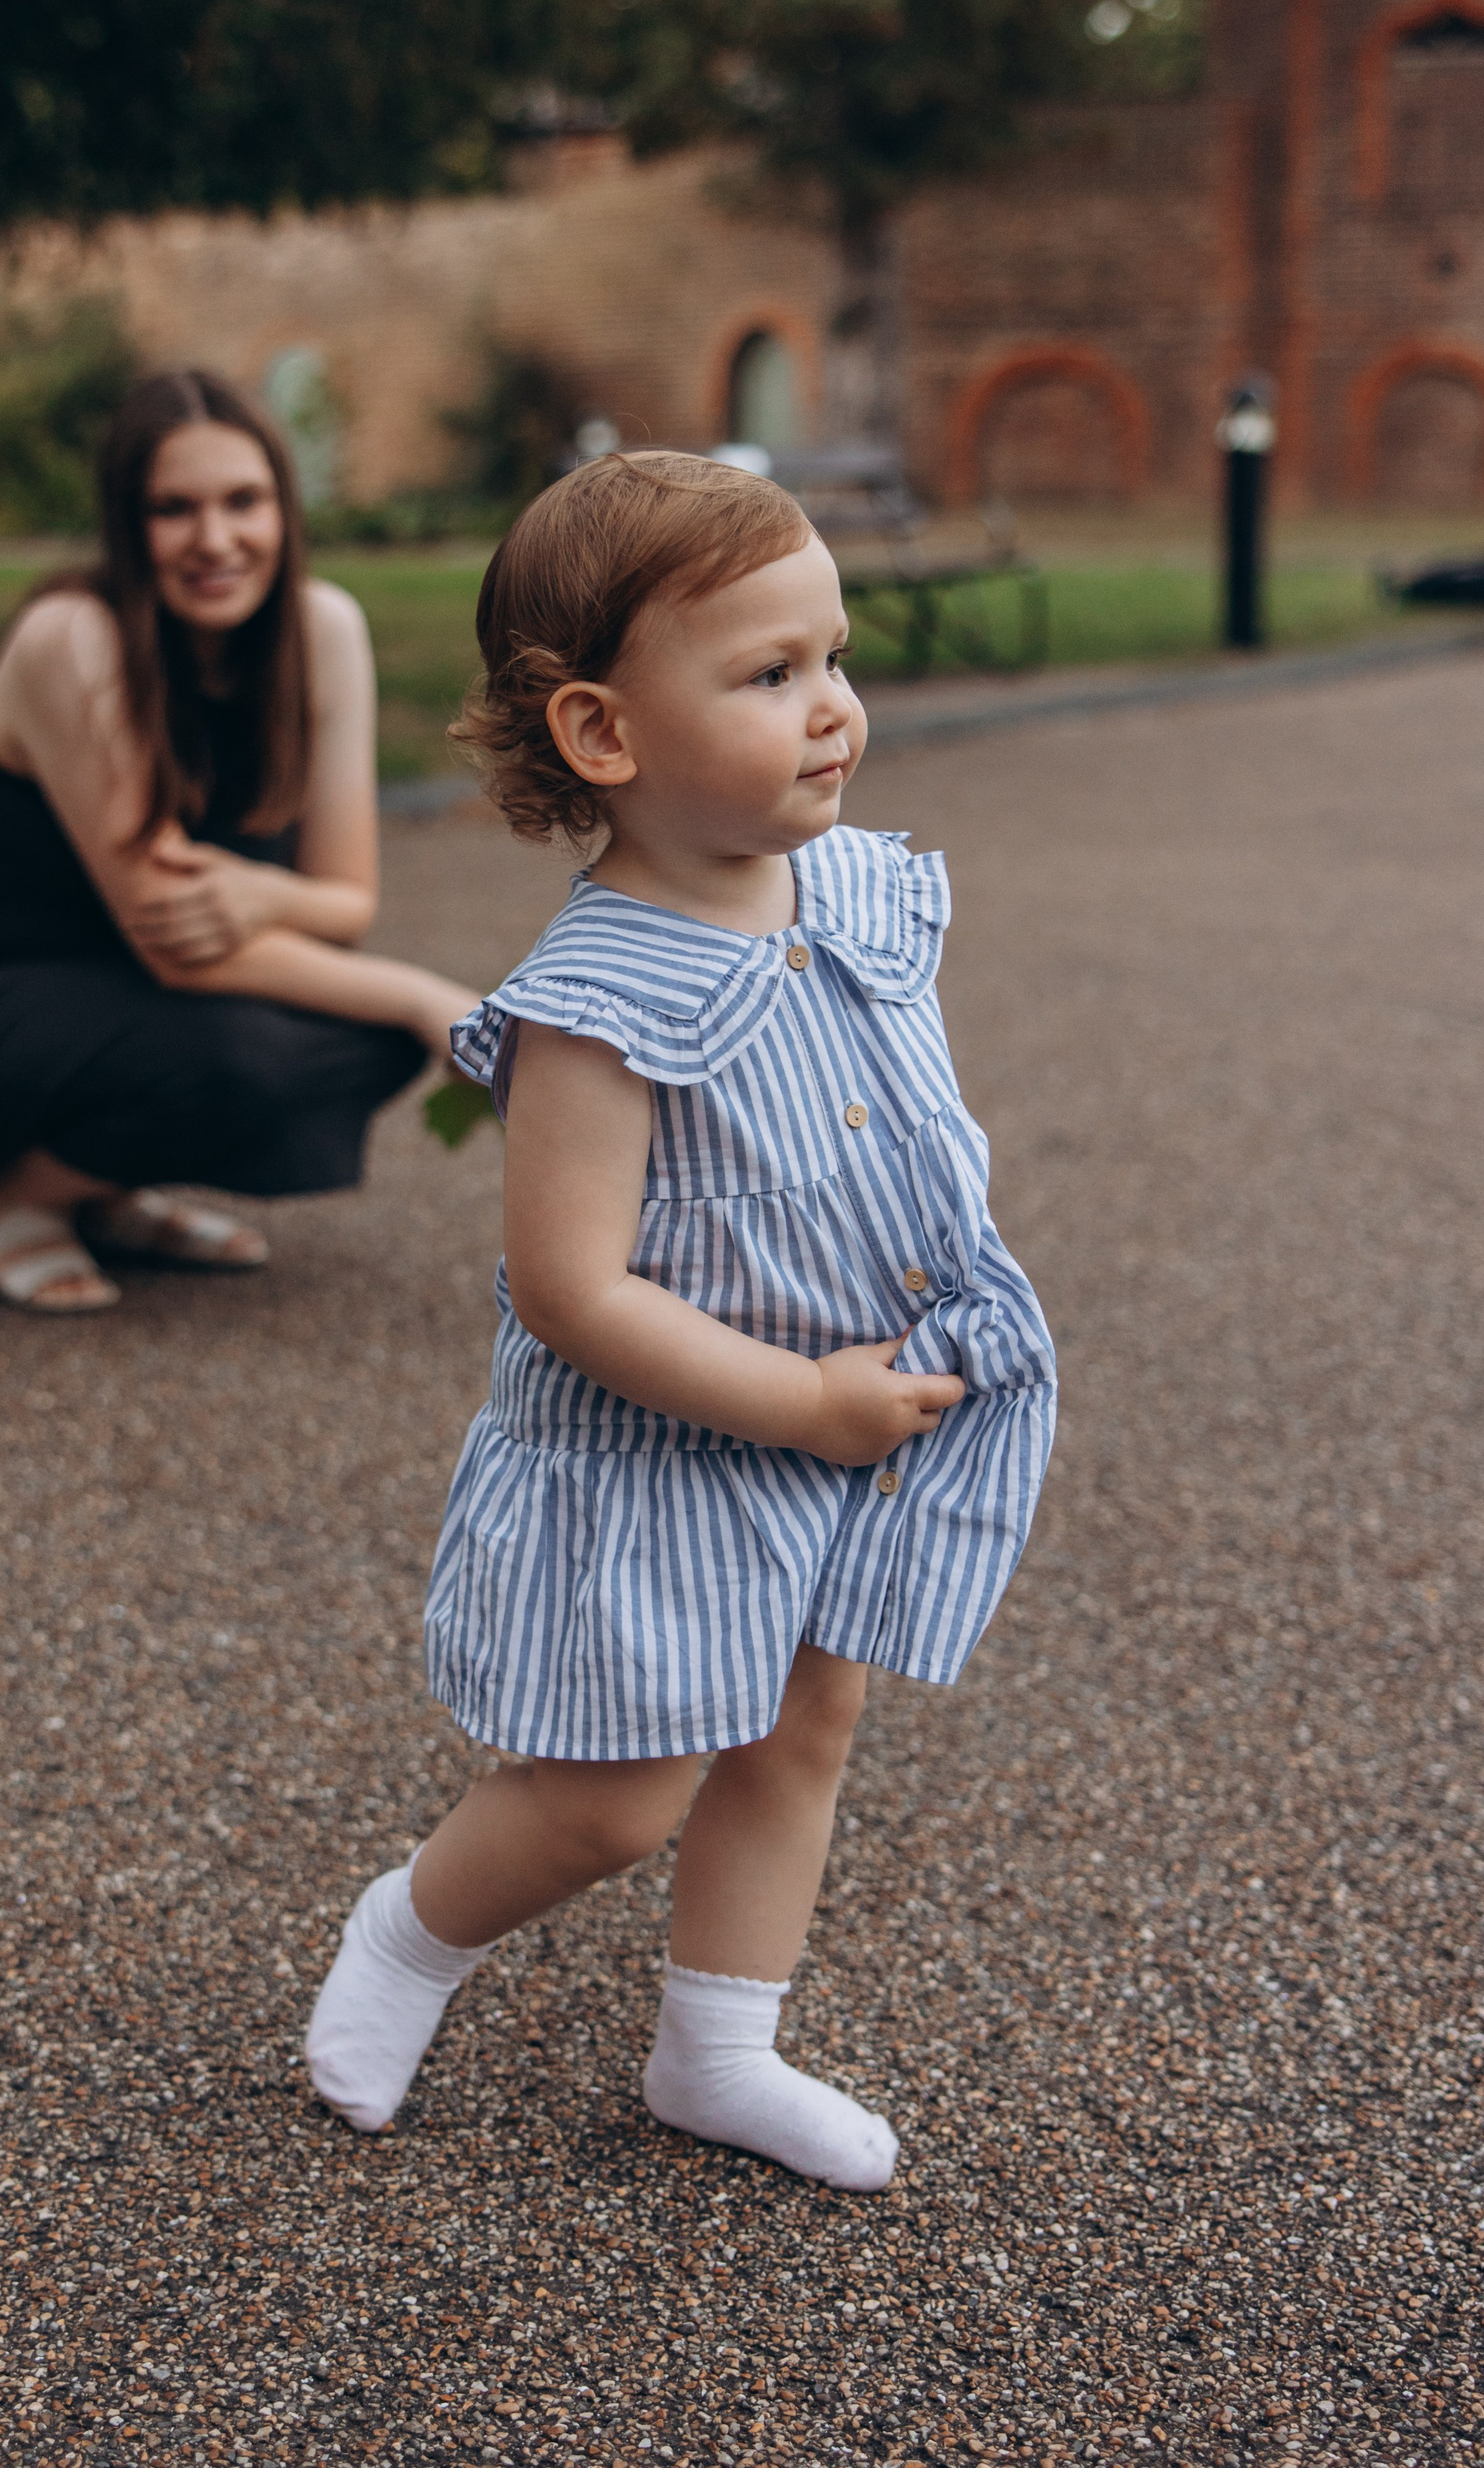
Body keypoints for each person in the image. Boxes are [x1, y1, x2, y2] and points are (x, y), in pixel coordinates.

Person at [305, 452, 1056, 2187]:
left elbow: (870, 1115)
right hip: (668, 1441)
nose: (831, 711)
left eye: (834, 658)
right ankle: (408, 1934)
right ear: (601, 735)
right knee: (613, 1790)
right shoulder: (591, 1002)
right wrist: (798, 1399)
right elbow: (571, 1291)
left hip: (837, 1405)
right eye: (767, 674)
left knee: (803, 1723)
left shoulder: (854, 890)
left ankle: (717, 2046)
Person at [0, 369, 477, 1313]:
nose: (215, 541)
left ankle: (99, 1187)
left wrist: (262, 899)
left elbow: (346, 904)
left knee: (362, 1042)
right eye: (174, 509)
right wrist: (428, 997)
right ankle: (18, 1199)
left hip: (103, 982)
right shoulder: (69, 639)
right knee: (288, 1042)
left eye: (243, 501)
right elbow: (175, 947)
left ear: (285, 509)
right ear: (127, 527)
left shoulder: (321, 629)